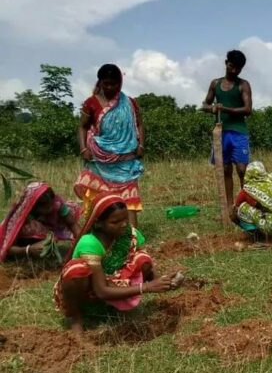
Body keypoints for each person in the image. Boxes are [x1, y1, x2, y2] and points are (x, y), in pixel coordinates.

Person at [54, 193, 179, 333]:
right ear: (98, 223)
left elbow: (148, 267)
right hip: (91, 293)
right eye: (115, 222)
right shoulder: (90, 243)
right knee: (76, 271)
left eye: (125, 219)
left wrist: (164, 281)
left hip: (115, 284)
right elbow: (101, 291)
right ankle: (76, 319)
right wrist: (147, 287)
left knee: (142, 258)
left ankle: (116, 308)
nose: (124, 224)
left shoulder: (129, 234)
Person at [75, 64, 144, 227]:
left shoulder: (129, 103)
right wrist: (83, 149)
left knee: (129, 198)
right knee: (98, 197)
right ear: (100, 82)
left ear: (120, 83)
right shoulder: (91, 103)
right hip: (99, 160)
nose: (110, 87)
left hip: (125, 159)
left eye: (114, 84)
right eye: (106, 83)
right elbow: (82, 126)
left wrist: (141, 145)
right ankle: (96, 233)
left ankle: (132, 239)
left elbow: (139, 124)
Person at [202, 50, 253, 206]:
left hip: (239, 132)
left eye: (238, 68)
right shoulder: (215, 84)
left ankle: (246, 203)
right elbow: (205, 105)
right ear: (226, 63)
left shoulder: (243, 85)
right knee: (225, 169)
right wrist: (212, 108)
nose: (234, 70)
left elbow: (247, 109)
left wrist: (225, 109)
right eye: (231, 66)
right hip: (221, 132)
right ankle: (230, 206)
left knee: (242, 169)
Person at [0, 182, 80, 262]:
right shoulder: (21, 216)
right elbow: (7, 247)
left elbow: (72, 223)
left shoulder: (57, 203)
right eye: (46, 207)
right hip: (28, 242)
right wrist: (28, 250)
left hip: (53, 229)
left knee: (71, 210)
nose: (51, 208)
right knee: (31, 227)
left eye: (51, 204)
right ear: (32, 206)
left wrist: (80, 240)